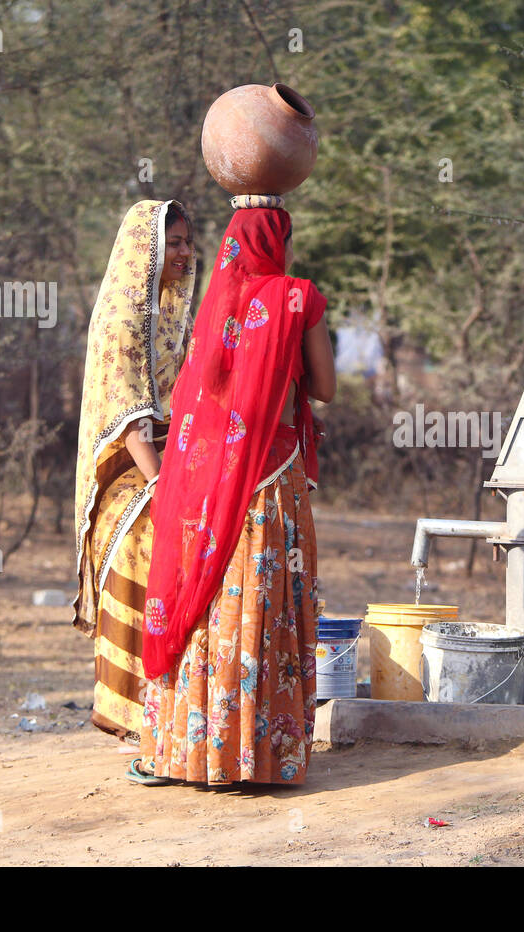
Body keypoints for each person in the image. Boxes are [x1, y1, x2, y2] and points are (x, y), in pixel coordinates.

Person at [135, 206, 335, 786]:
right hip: (270, 480)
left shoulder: (216, 305)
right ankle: (256, 755)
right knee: (265, 602)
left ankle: (191, 751)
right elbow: (324, 389)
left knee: (208, 600)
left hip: (211, 482)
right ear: (281, 244)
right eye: (291, 241)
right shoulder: (297, 298)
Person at [73, 200, 195, 743]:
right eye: (174, 243)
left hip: (168, 459)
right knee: (151, 532)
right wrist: (164, 489)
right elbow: (130, 422)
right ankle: (132, 713)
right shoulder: (124, 321)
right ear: (147, 250)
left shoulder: (170, 317)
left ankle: (175, 705)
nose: (186, 252)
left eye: (189, 242)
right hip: (130, 471)